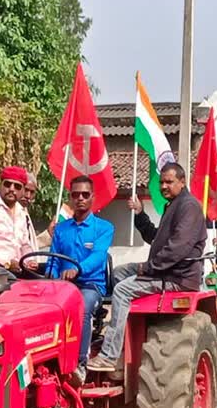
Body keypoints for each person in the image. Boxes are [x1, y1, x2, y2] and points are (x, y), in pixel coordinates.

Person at [87, 163, 207, 372]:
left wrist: (149, 268)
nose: (163, 186)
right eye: (161, 182)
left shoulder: (189, 206)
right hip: (164, 270)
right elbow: (156, 238)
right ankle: (112, 331)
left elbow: (177, 248)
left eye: (169, 182)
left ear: (182, 181)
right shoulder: (173, 205)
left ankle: (108, 355)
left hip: (177, 277)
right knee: (116, 274)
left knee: (123, 290)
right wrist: (141, 215)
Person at [48, 175, 114, 385]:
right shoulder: (61, 229)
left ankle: (80, 365)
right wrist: (50, 277)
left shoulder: (104, 228)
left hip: (90, 286)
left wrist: (78, 269)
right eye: (76, 195)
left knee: (82, 307)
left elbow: (98, 257)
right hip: (62, 287)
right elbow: (53, 260)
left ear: (92, 197)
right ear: (70, 197)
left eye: (85, 195)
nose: (80, 199)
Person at [21, 173, 54, 251]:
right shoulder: (5, 211)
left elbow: (28, 246)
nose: (28, 196)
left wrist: (49, 234)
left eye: (32, 192)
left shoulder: (24, 211)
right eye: (25, 190)